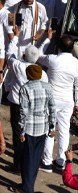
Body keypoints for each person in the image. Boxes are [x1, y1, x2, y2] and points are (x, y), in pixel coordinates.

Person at [36, 31, 78, 172]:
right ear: (72, 48)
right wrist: (77, 103)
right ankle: (60, 161)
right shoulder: (76, 63)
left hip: (52, 99)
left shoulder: (53, 59)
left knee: (50, 130)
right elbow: (77, 86)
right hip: (68, 101)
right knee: (64, 131)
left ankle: (47, 162)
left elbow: (37, 54)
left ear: (58, 46)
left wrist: (47, 40)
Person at [17, 64, 56, 193]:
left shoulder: (25, 88)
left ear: (28, 75)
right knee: (36, 157)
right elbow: (52, 108)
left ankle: (27, 187)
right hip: (43, 126)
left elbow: (23, 112)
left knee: (27, 157)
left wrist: (21, 131)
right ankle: (30, 183)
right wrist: (52, 127)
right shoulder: (47, 87)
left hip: (29, 128)